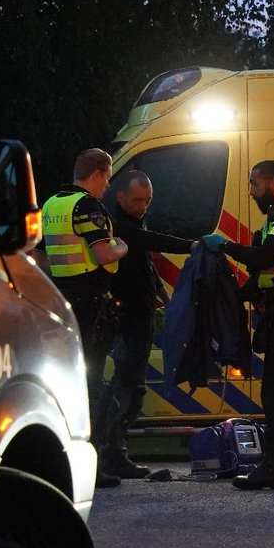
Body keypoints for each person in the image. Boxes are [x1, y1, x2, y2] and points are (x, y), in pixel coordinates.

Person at [201, 157, 274, 490]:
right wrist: (229, 299)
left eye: (254, 184)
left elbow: (265, 258)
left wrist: (224, 245)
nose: (252, 192)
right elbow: (262, 275)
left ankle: (273, 466)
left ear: (272, 182)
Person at [97, 168, 197, 479]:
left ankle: (114, 452)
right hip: (124, 315)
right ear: (121, 196)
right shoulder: (115, 222)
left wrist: (160, 291)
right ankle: (108, 453)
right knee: (126, 387)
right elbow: (145, 240)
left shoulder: (132, 218)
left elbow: (143, 259)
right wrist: (191, 245)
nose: (143, 206)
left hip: (138, 314)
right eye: (138, 200)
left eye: (148, 200)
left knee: (130, 387)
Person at [40, 148, 129, 487]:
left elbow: (39, 258)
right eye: (107, 178)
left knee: (67, 384)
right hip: (91, 307)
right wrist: (122, 245)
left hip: (62, 304)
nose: (107, 185)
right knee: (92, 386)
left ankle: (62, 462)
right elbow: (104, 254)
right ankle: (90, 465)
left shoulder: (51, 205)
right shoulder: (87, 206)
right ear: (97, 174)